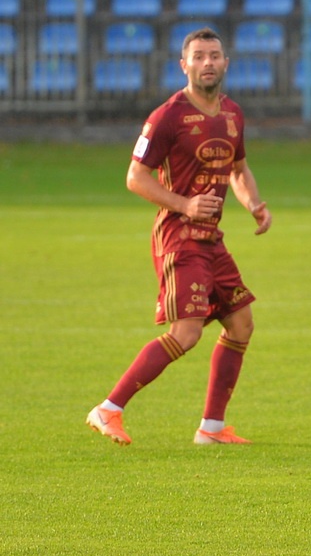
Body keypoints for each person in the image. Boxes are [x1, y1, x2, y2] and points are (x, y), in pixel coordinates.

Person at [86, 27, 272, 446]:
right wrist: (184, 204)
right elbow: (135, 177)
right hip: (179, 236)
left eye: (215, 55)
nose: (208, 62)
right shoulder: (167, 115)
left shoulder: (233, 114)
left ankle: (211, 428)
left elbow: (238, 170)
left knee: (241, 324)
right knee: (186, 332)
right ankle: (108, 409)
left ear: (226, 63)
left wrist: (255, 204)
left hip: (212, 239)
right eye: (199, 56)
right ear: (183, 65)